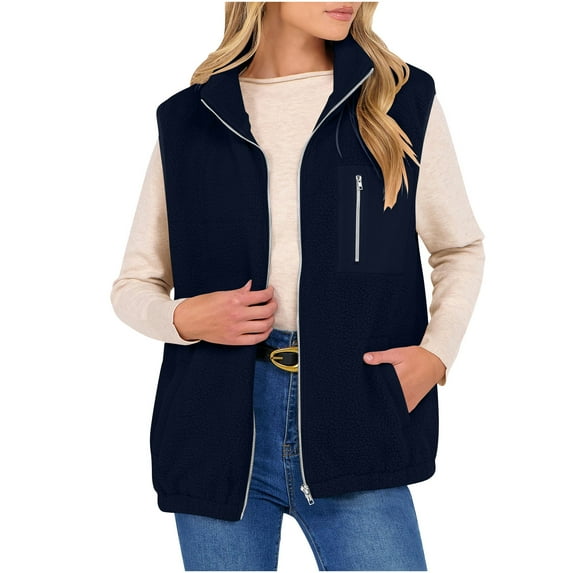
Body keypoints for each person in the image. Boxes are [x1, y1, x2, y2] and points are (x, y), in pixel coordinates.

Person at [111, 2, 484, 570]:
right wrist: (184, 319)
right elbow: (135, 283)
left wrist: (436, 356)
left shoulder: (398, 100)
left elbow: (459, 248)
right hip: (216, 426)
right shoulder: (190, 120)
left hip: (358, 410)